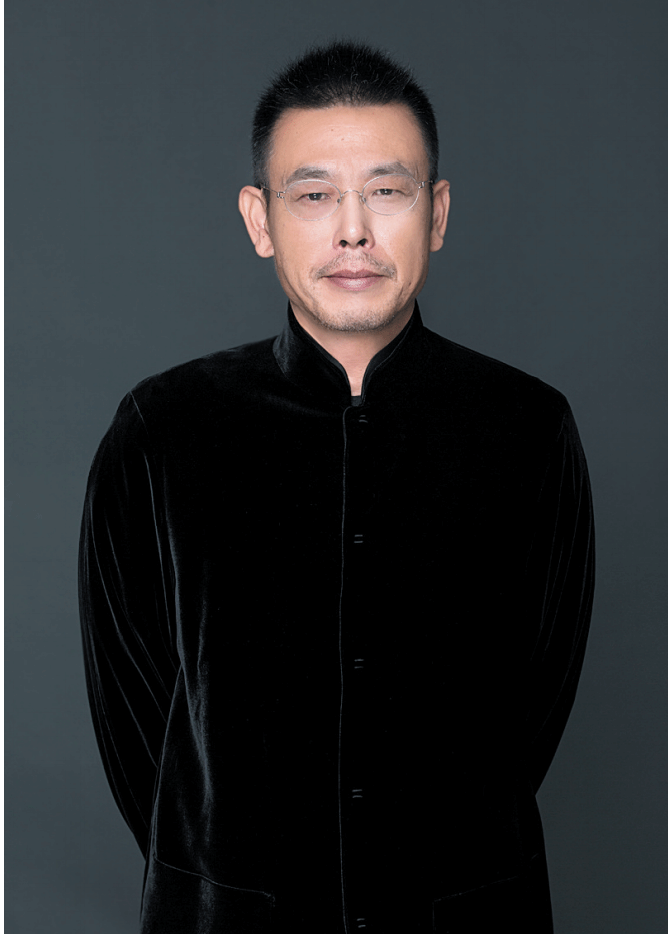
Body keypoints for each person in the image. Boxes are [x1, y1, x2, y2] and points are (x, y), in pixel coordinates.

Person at [79, 41, 595, 934]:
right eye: (313, 195)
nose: (353, 231)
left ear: (436, 213)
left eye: (387, 192)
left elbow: (533, 707)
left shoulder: (527, 427)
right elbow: (136, 723)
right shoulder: (161, 430)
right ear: (260, 220)